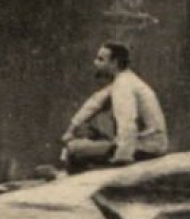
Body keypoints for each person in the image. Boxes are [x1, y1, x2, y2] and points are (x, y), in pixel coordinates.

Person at [59, 41, 168, 173]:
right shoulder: (125, 79)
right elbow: (94, 102)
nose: (95, 63)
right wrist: (71, 128)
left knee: (73, 149)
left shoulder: (123, 86)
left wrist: (122, 158)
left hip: (145, 148)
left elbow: (127, 123)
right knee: (86, 140)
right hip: (147, 144)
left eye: (101, 59)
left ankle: (76, 184)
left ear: (114, 63)